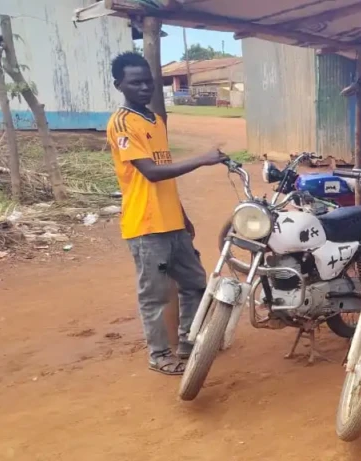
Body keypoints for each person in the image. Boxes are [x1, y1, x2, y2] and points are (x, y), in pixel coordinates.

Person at [106, 52, 227, 375]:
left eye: (149, 81)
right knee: (156, 294)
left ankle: (188, 340)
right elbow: (152, 173)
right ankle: (160, 354)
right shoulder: (122, 123)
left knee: (196, 283)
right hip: (146, 226)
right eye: (136, 83)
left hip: (171, 222)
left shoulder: (154, 120)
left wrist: (182, 215)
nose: (145, 87)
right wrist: (203, 159)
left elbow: (164, 174)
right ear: (120, 85)